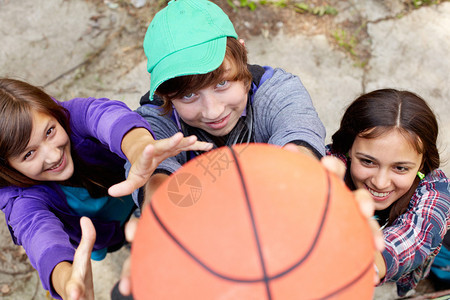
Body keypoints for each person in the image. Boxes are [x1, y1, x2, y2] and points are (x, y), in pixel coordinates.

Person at [112, 0, 384, 298]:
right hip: (206, 239)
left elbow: (299, 138)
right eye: (188, 94)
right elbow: (159, 182)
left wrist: (306, 185)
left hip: (275, 224)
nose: (213, 111)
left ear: (242, 50)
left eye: (221, 83)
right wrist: (162, 223)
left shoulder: (278, 91)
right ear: (164, 93)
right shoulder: (155, 120)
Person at [0, 78, 212, 300]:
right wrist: (65, 279)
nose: (53, 155)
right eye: (28, 154)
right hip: (107, 232)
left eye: (50, 132)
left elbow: (103, 115)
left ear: (53, 114)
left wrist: (139, 147)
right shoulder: (20, 199)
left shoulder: (70, 116)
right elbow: (37, 234)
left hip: (140, 192)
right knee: (129, 240)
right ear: (7, 167)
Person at [326, 88, 450, 296]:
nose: (380, 183)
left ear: (422, 164)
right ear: (347, 149)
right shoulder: (330, 165)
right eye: (367, 161)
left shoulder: (436, 192)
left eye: (400, 168)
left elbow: (414, 237)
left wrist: (367, 266)